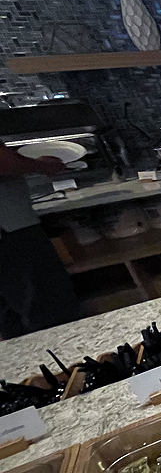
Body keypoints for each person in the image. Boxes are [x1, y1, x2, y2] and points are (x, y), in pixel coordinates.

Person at [0, 143, 80, 339]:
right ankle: (66, 354)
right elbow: (3, 163)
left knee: (11, 318)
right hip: (9, 229)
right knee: (49, 309)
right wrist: (43, 166)